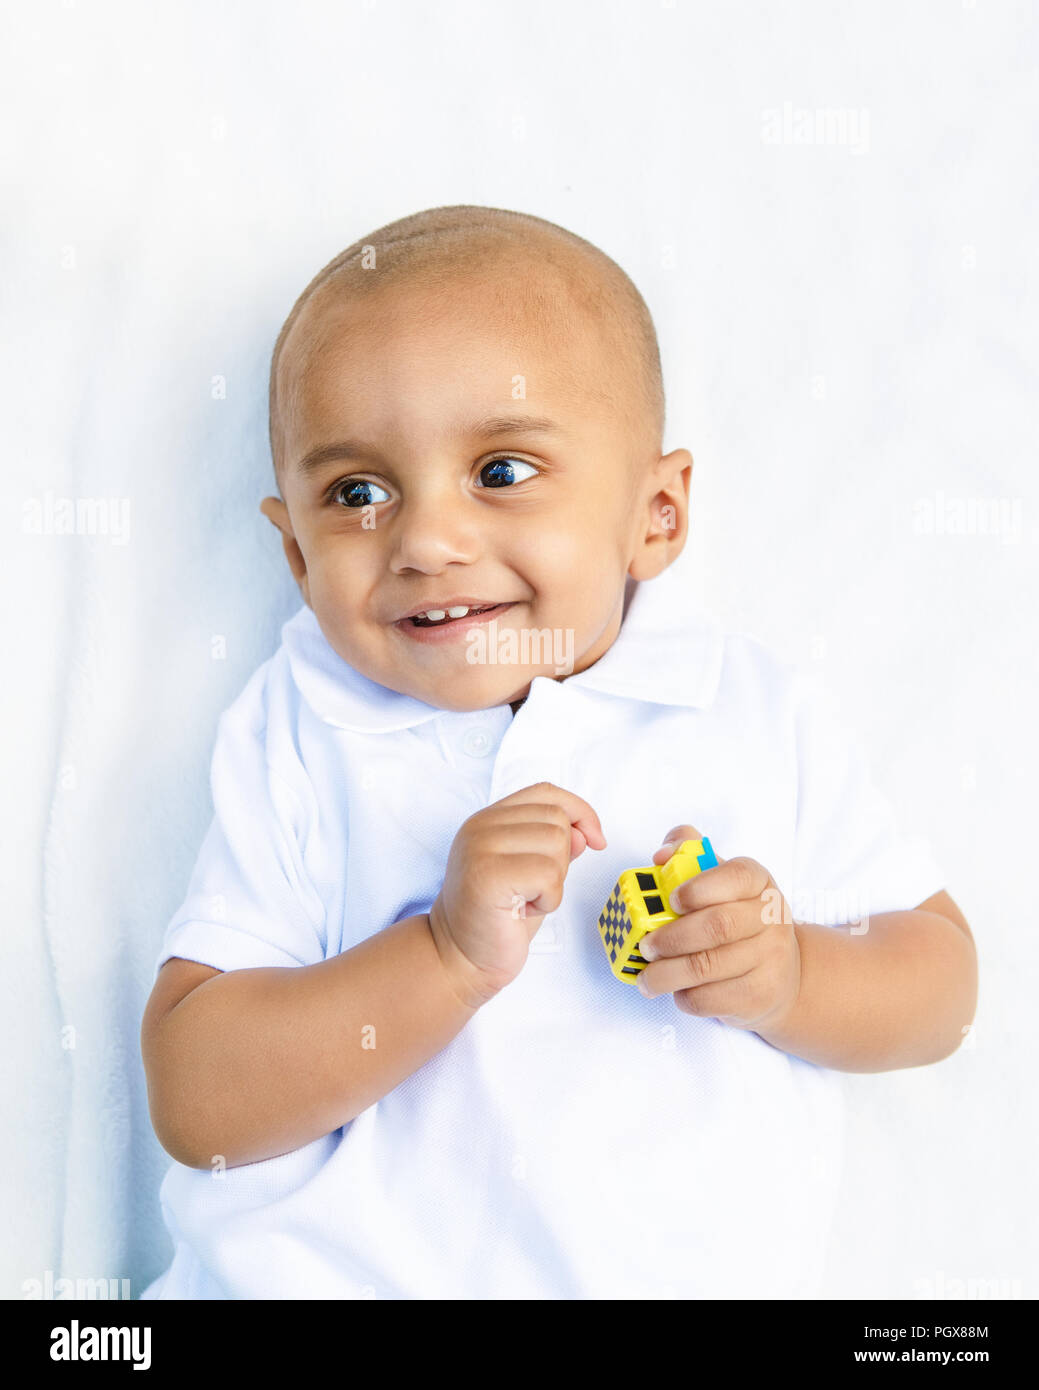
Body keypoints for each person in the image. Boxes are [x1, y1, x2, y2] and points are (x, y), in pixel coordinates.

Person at [139, 204, 977, 1299]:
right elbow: (198, 1105)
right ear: (295, 553)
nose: (426, 540)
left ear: (656, 515)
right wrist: (440, 955)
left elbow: (941, 990)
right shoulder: (304, 723)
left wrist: (791, 974)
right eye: (357, 494)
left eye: (501, 470)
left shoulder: (742, 707)